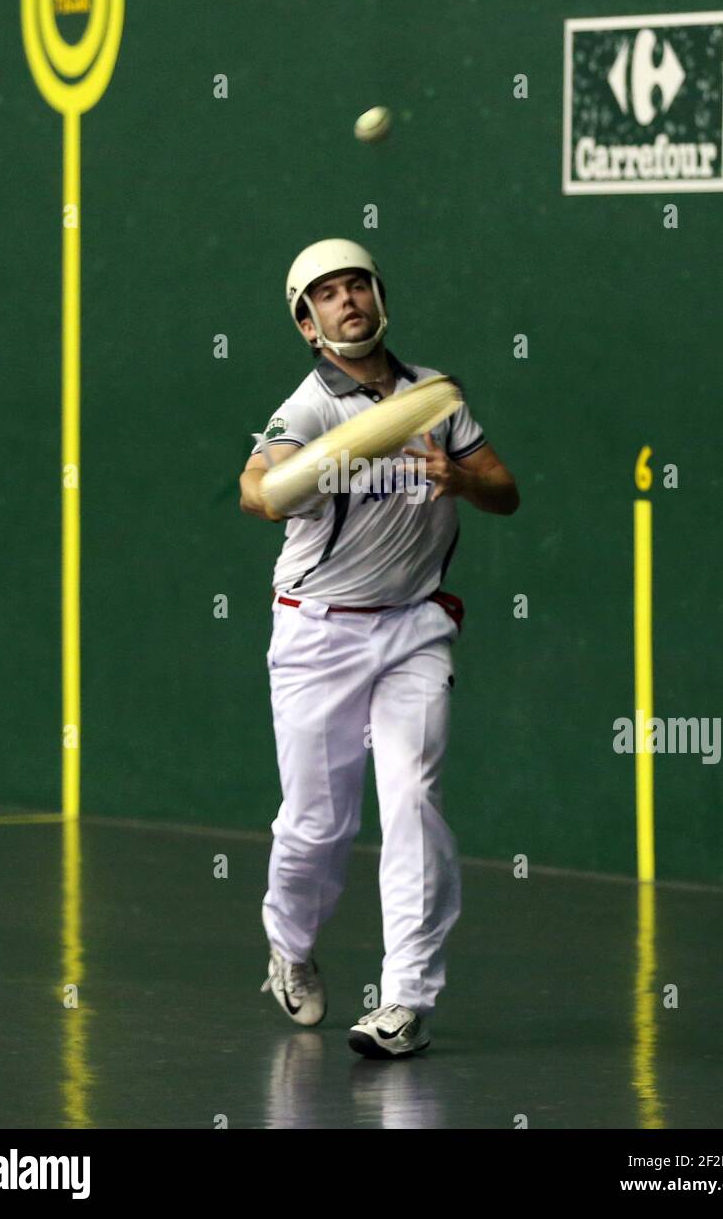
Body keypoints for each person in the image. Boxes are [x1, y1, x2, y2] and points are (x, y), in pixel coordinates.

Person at [239, 238, 519, 1057]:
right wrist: (281, 487)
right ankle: (289, 948)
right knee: (317, 826)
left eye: (356, 284)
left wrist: (461, 480)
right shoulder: (309, 408)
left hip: (412, 628)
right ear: (307, 322)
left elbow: (505, 490)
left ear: (380, 296)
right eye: (326, 294)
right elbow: (262, 485)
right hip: (316, 635)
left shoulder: (435, 397)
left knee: (411, 797)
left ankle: (404, 1001)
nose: (347, 300)